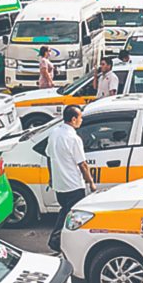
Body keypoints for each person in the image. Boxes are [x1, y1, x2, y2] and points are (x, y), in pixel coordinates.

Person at [46, 105, 95, 253]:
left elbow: (49, 157)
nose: (81, 120)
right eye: (80, 117)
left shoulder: (54, 133)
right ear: (73, 119)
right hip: (73, 185)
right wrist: (91, 182)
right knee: (72, 217)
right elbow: (83, 164)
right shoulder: (73, 138)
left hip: (60, 185)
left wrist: (51, 177)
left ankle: (61, 243)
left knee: (65, 212)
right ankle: (58, 242)